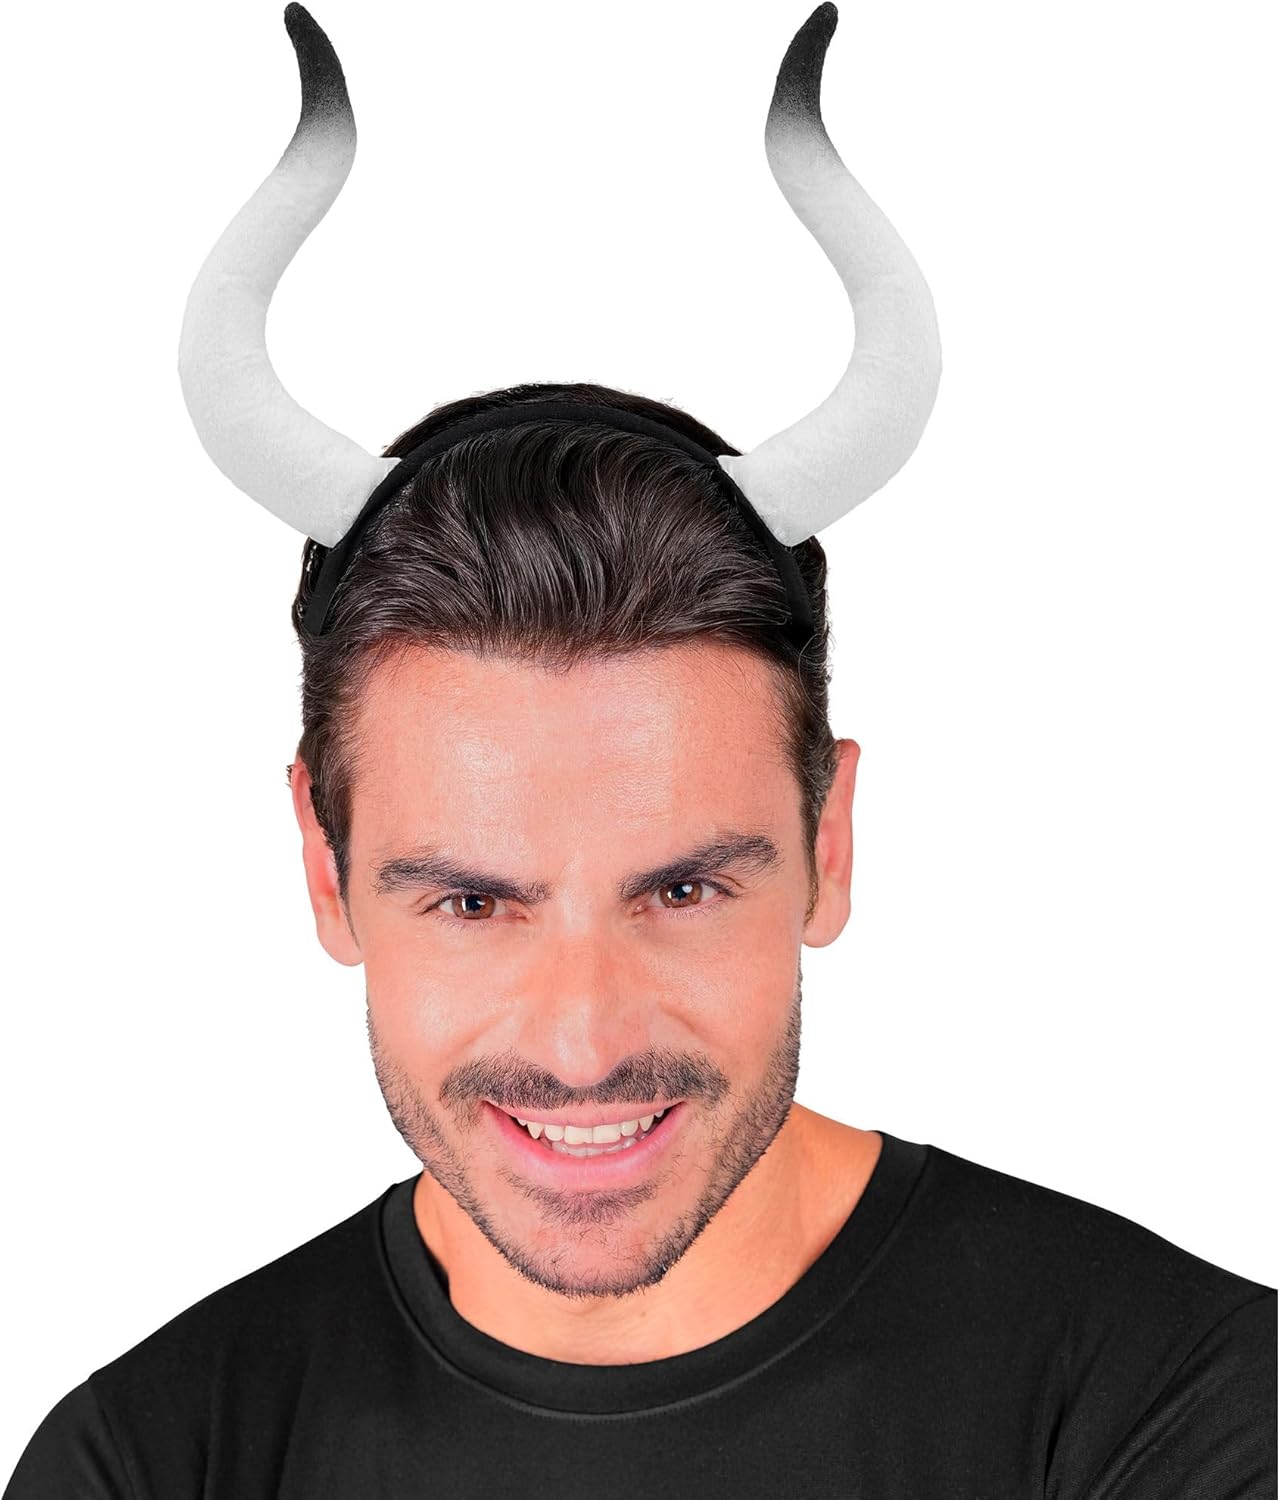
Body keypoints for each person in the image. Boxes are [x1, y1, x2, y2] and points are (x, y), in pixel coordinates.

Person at [5, 4, 1273, 1497]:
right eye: (471, 902)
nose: (584, 1043)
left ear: (829, 843)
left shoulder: (1180, 1411)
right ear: (325, 872)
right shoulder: (151, 1463)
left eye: (681, 890)